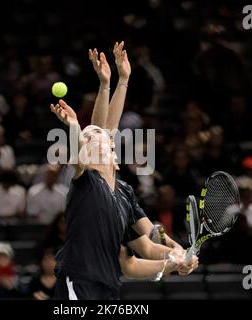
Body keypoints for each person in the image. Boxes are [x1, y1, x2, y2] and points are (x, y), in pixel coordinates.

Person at [51, 42, 197, 300]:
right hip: (79, 283)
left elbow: (148, 242)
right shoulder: (87, 182)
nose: (96, 135)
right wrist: (76, 123)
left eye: (99, 138)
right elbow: (82, 151)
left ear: (114, 158)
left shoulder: (124, 194)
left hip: (109, 289)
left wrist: (176, 255)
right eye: (89, 138)